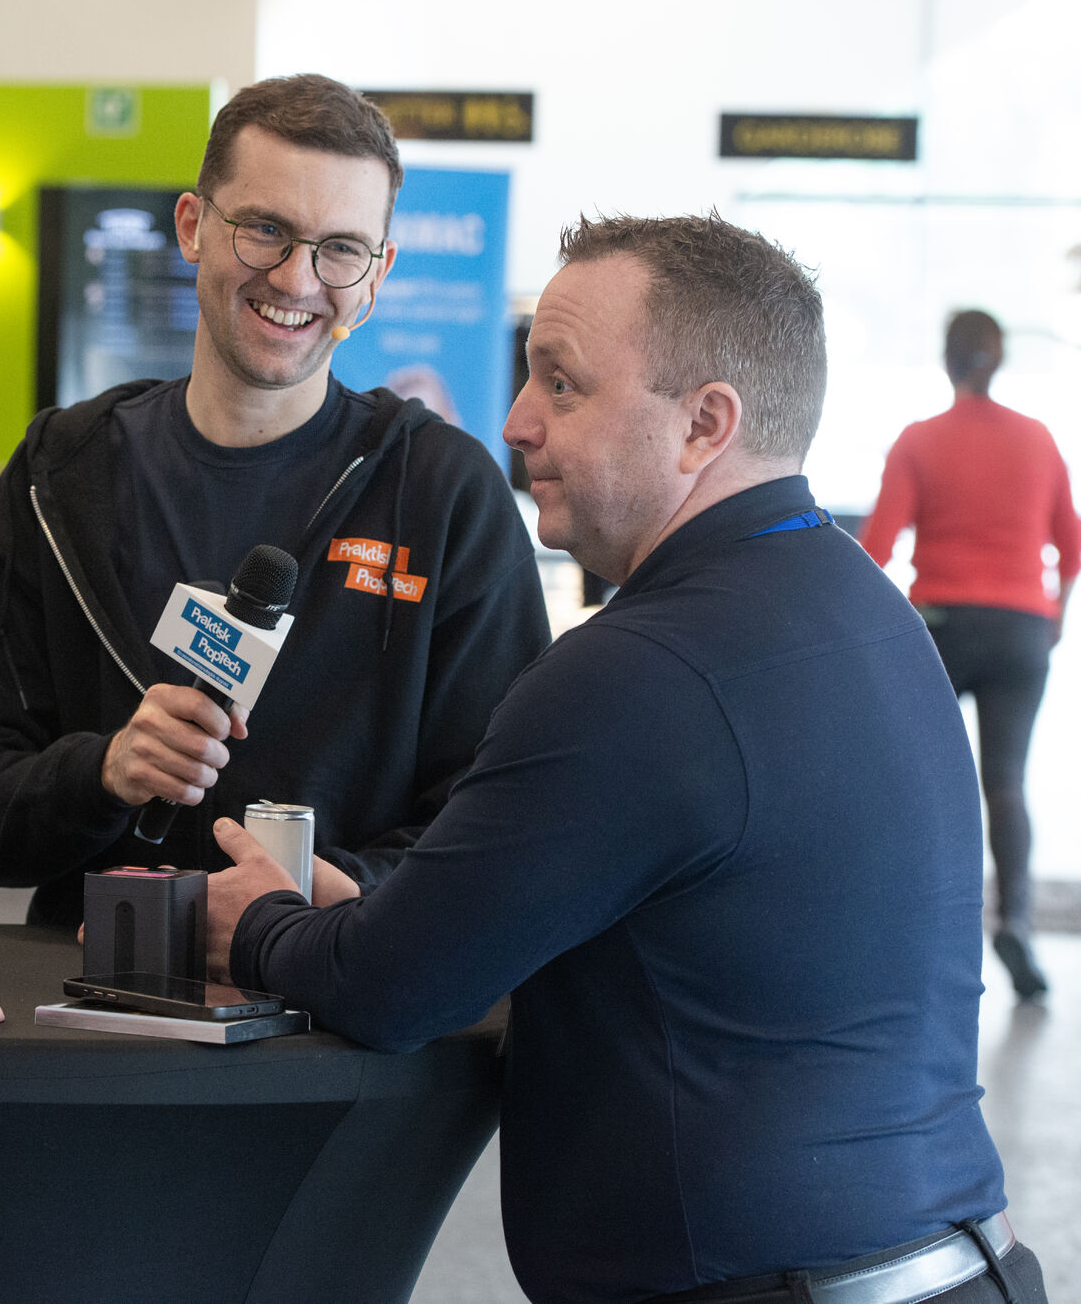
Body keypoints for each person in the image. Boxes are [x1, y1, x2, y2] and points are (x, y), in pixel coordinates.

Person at [207, 213, 1041, 1303]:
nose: (513, 423)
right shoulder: (861, 611)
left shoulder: (637, 670)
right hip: (952, 1267)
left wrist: (260, 921)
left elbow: (388, 990)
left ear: (703, 424)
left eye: (560, 385)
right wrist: (374, 912)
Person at [0, 73, 550, 928]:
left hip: (336, 1020)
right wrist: (102, 771)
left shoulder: (441, 495)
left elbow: (502, 826)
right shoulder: (60, 473)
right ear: (193, 226)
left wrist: (327, 900)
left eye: (340, 248)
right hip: (91, 1009)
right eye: (264, 230)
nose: (297, 279)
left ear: (375, 278)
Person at [859, 310, 1076, 1000]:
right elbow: (1072, 546)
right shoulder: (1038, 440)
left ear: (949, 362)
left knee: (924, 782)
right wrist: (1053, 619)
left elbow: (876, 548)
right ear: (999, 360)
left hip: (943, 625)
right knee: (1005, 783)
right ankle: (1014, 919)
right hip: (1020, 627)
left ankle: (917, 930)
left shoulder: (920, 441)